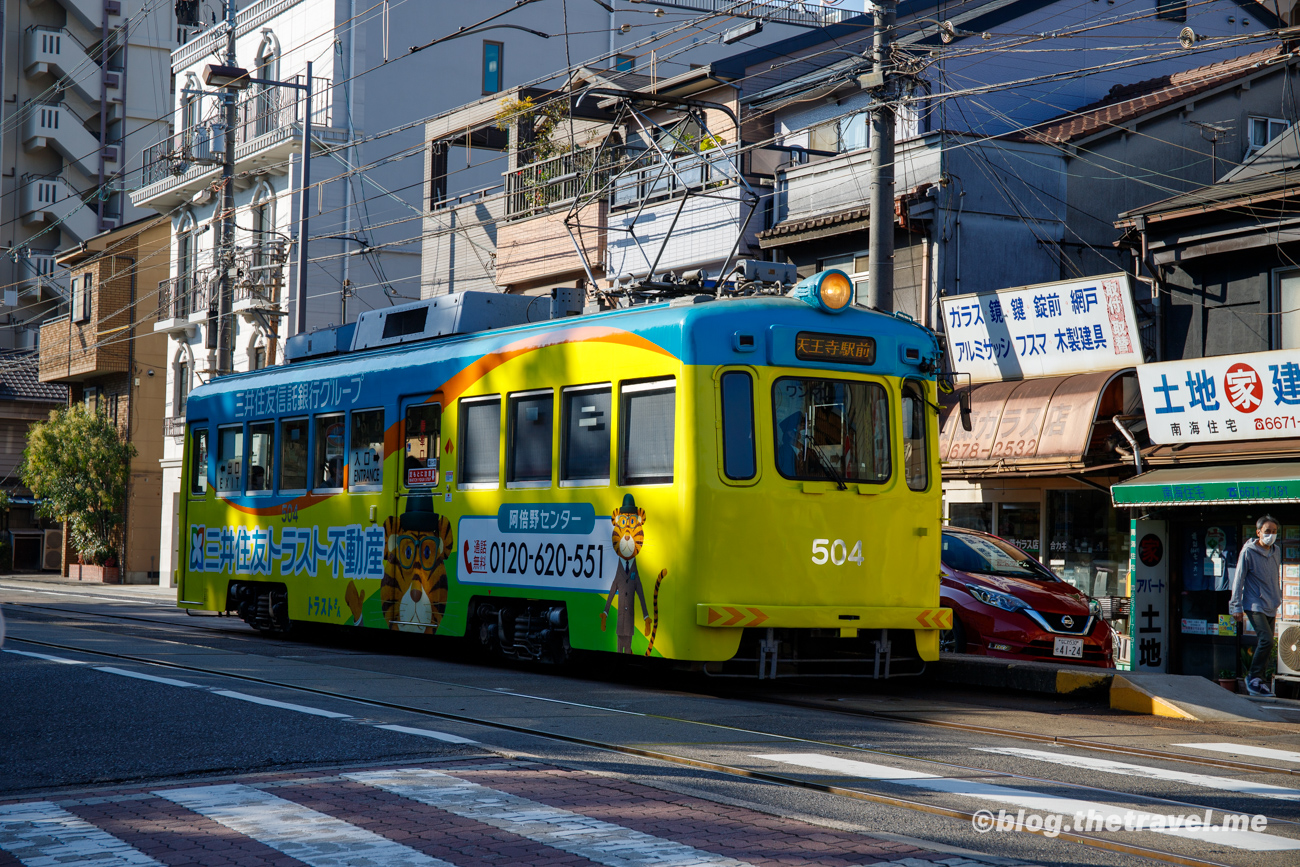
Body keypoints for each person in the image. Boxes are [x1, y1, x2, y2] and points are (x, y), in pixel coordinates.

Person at [1231, 514, 1283, 696]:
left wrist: (1278, 598)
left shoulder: (1276, 551)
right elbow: (1238, 579)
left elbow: (1274, 577)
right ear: (1258, 532)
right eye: (1267, 531)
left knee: (1267, 644)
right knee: (1267, 640)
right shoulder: (1248, 551)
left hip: (1271, 603)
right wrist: (1235, 606)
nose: (1271, 535)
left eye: (1274, 532)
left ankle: (1259, 680)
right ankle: (1253, 677)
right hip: (1254, 604)